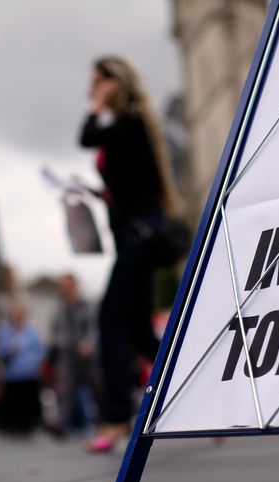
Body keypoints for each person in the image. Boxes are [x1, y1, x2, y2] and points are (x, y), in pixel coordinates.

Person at [78, 56, 181, 452]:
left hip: (140, 237)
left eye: (100, 82)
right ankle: (189, 392)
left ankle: (116, 419)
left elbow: (86, 138)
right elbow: (127, 181)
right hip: (129, 234)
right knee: (138, 328)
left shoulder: (131, 122)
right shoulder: (124, 126)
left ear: (116, 83)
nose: (94, 90)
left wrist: (95, 109)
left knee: (111, 316)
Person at [48, 274, 100, 435]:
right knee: (64, 390)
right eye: (62, 286)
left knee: (98, 387)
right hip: (68, 355)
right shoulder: (60, 308)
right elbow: (56, 331)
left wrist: (89, 344)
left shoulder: (88, 305)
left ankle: (108, 420)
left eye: (67, 286)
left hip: (87, 355)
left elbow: (94, 327)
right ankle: (62, 424)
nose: (65, 289)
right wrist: (58, 345)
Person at [0, 303, 46, 435]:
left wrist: (35, 362)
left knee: (29, 401)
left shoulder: (31, 331)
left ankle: (29, 426)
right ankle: (14, 427)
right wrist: (8, 351)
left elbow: (40, 350)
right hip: (12, 373)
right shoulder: (4, 331)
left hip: (29, 372)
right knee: (13, 402)